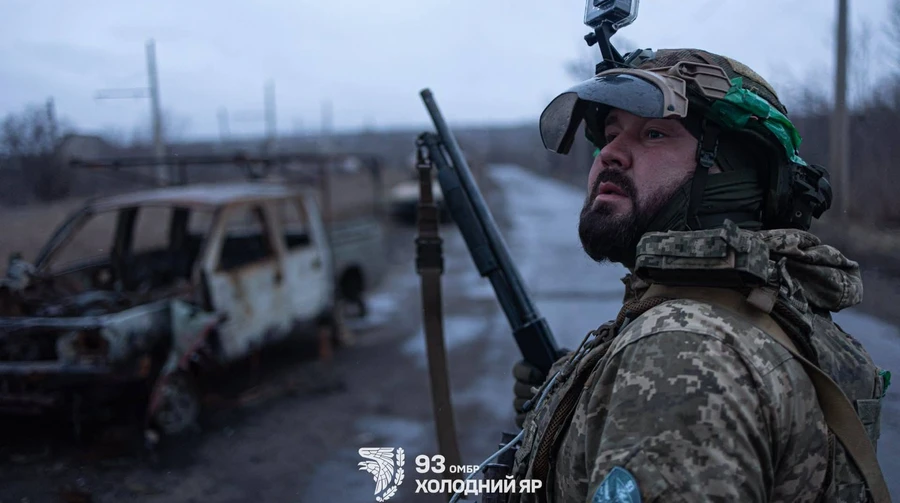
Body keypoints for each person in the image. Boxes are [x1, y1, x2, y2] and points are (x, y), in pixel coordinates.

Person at [508, 48, 890, 502]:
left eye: (653, 133)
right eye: (610, 134)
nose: (609, 153)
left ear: (733, 170)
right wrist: (574, 401)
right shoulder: (766, 308)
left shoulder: (682, 351)